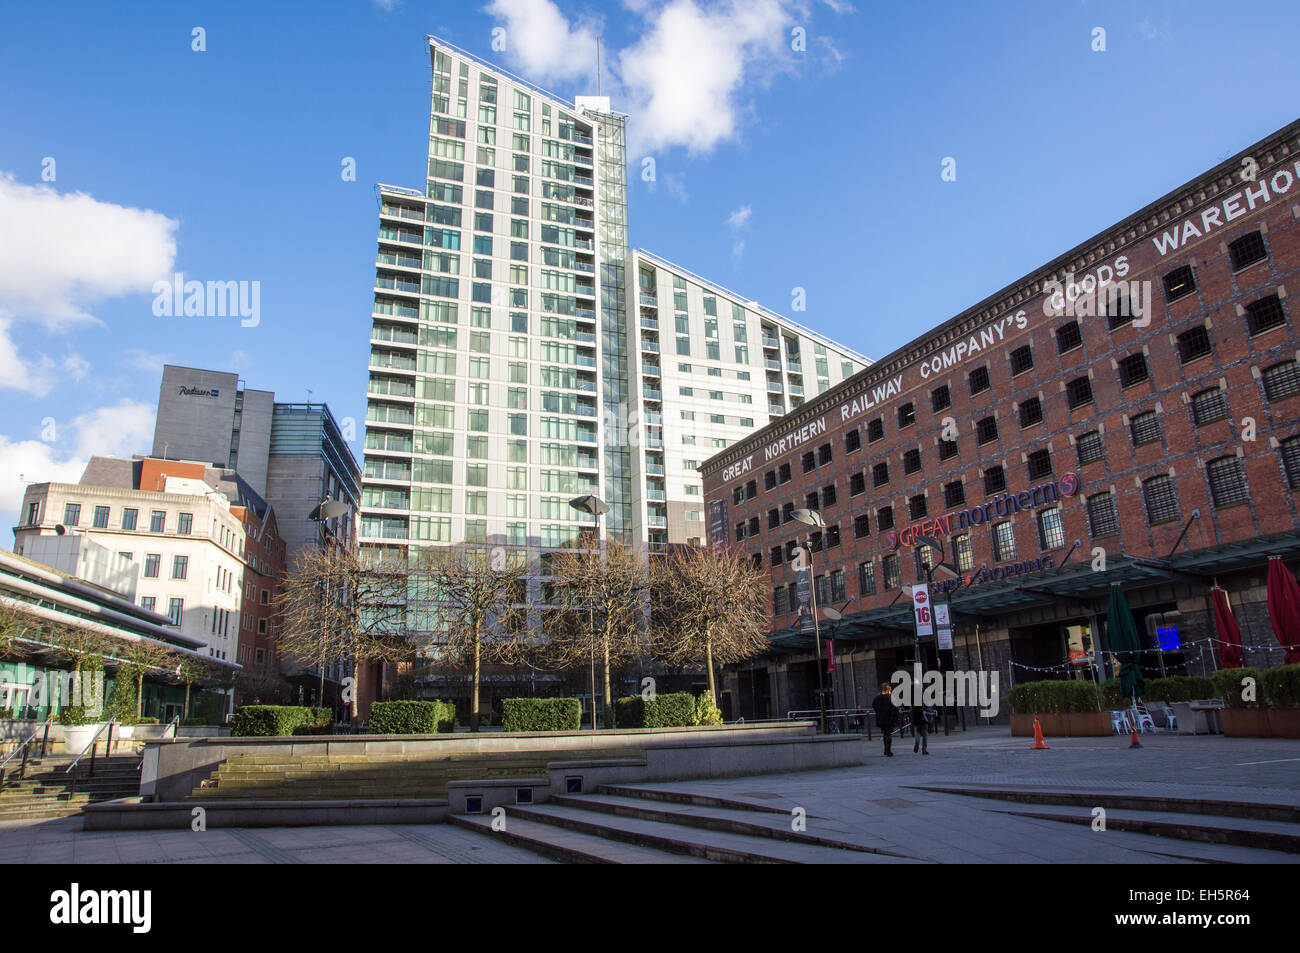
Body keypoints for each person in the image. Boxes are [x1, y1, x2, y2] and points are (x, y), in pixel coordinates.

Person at [871, 682, 898, 757]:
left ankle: (885, 749)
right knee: (888, 734)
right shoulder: (890, 697)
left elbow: (874, 706)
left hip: (881, 719)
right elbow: (895, 708)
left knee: (884, 733)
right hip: (889, 718)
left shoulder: (877, 698)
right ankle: (888, 750)